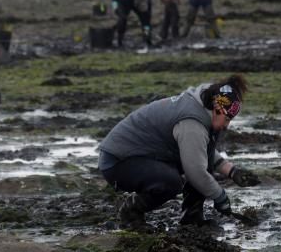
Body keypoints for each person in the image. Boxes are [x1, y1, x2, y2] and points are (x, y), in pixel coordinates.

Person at [98, 74, 260, 231]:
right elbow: (195, 172)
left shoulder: (203, 109)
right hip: (117, 161)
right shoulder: (191, 122)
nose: (227, 126)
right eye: (227, 119)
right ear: (217, 109)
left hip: (142, 156)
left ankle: (191, 218)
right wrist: (220, 197)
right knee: (171, 182)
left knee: (201, 163)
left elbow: (201, 150)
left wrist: (232, 171)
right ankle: (130, 212)